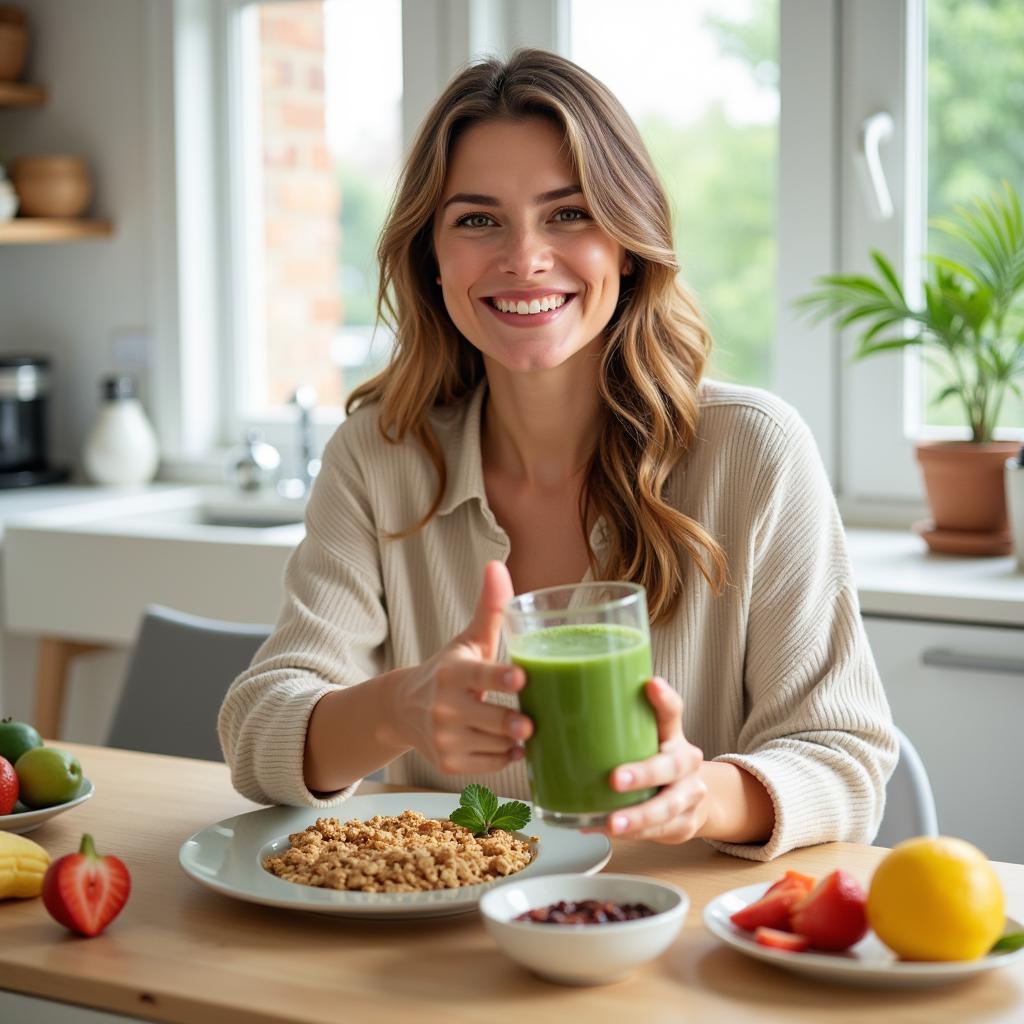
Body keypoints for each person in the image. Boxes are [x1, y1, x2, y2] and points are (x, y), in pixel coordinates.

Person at [218, 48, 897, 862]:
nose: (525, 257)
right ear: (432, 259)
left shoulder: (754, 451)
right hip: (436, 947)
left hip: (668, 939)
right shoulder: (378, 457)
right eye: (477, 220)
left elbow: (845, 758)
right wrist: (402, 707)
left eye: (568, 213)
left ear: (629, 243)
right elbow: (257, 729)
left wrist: (698, 794)